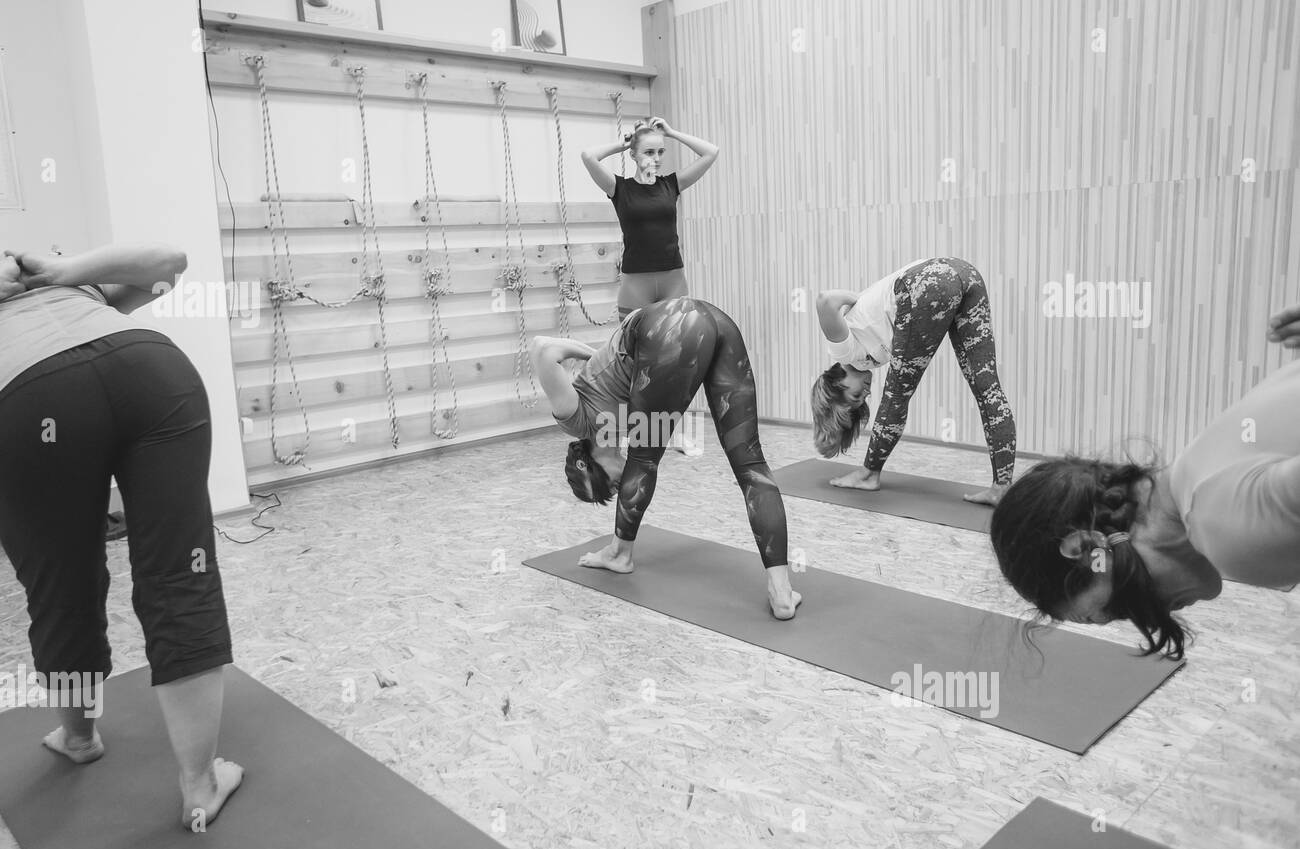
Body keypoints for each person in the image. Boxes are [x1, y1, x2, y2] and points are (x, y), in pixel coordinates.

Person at [0, 244, 242, 826]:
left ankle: (79, 737)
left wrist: (60, 272)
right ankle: (200, 784)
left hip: (30, 399)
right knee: (180, 573)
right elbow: (166, 262)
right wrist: (65, 274)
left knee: (61, 583)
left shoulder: (73, 284)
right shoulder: (80, 291)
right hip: (152, 375)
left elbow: (171, 263)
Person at [990, 303, 1300, 658]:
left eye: (1121, 607)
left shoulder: (1228, 528)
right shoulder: (1198, 469)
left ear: (1089, 547)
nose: (1153, 619)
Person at [529, 296, 800, 619]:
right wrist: (607, 357)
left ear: (585, 463)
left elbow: (543, 348)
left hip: (667, 326)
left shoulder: (576, 421)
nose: (616, 488)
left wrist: (599, 355)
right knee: (751, 464)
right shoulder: (622, 425)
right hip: (713, 320)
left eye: (609, 486)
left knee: (643, 460)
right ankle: (781, 592)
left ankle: (619, 554)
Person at [810, 257, 1017, 506]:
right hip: (965, 274)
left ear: (835, 383)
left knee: (896, 395)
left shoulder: (842, 353)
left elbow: (825, 300)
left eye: (854, 395)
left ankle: (868, 475)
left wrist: (859, 301)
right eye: (863, 400)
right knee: (988, 389)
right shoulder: (866, 359)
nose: (865, 393)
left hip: (925, 284)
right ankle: (1002, 488)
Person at [581, 116, 720, 457]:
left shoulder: (671, 185)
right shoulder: (619, 189)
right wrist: (624, 142)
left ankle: (673, 433)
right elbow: (588, 156)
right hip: (636, 285)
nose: (656, 159)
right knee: (636, 364)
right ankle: (637, 432)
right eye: (648, 152)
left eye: (661, 152)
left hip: (673, 281)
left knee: (675, 364)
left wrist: (671, 132)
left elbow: (711, 152)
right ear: (633, 154)